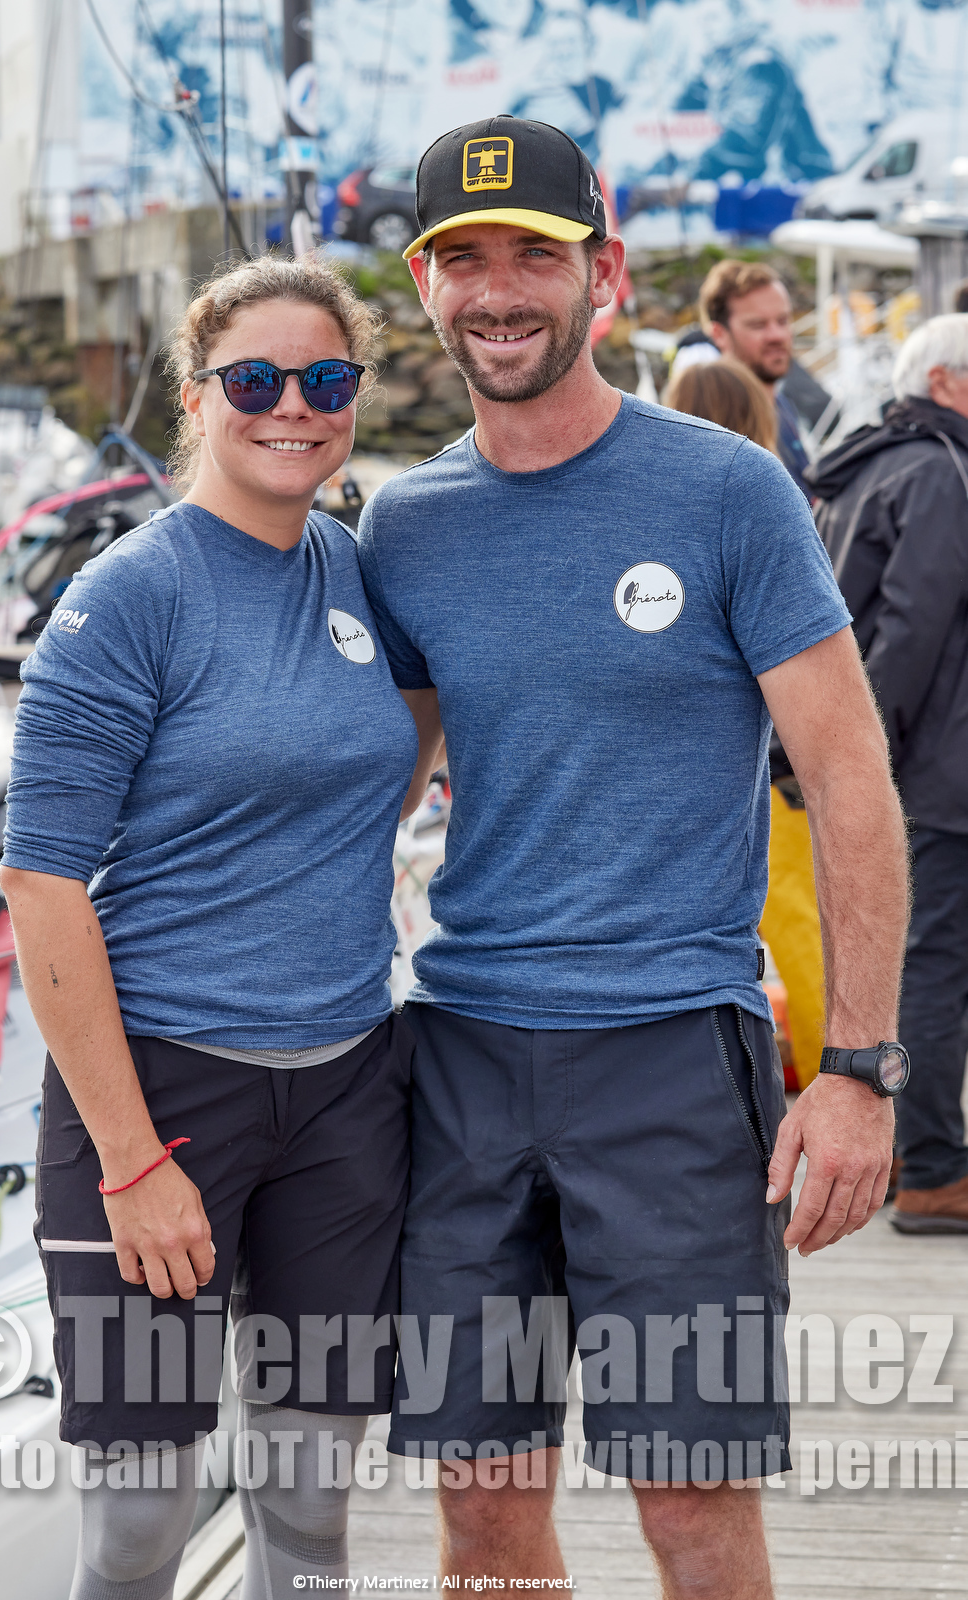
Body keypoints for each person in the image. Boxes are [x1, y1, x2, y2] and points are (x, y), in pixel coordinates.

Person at [357, 114, 909, 1598]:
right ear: (420, 286)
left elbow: (851, 782)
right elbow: (361, 791)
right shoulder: (400, 526)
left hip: (672, 1058)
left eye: (529, 254)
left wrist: (859, 1072)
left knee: (689, 1513)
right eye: (456, 258)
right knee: (479, 1509)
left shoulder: (726, 493)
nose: (494, 290)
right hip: (463, 1058)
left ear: (599, 273)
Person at [0, 256, 432, 1600]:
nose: (291, 406)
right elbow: (40, 883)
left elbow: (399, 748)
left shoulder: (358, 570)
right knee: (139, 1526)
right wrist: (132, 1163)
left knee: (308, 1520)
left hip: (347, 1092)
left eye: (325, 379)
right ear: (199, 399)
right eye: (255, 380)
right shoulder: (131, 595)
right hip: (161, 1094)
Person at [807, 312, 968, 1233]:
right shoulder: (941, 472)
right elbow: (909, 630)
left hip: (903, 763)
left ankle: (924, 1151)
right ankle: (935, 1168)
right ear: (945, 381)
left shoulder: (875, 459)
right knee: (936, 972)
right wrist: (869, 762)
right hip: (935, 772)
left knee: (924, 967)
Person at [666, 358, 826, 1088]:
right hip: (770, 771)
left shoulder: (659, 511)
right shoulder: (769, 506)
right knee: (797, 929)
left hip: (687, 779)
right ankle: (831, 1074)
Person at [697, 257, 813, 496]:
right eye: (758, 325)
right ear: (719, 334)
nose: (776, 335)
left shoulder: (781, 404)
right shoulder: (718, 426)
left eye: (783, 321)